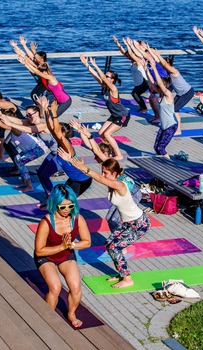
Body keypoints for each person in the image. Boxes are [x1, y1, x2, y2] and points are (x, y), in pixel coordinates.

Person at [58, 151, 151, 289]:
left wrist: (81, 166)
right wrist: (72, 160)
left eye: (106, 173)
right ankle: (121, 273)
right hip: (128, 223)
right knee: (109, 244)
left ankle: (127, 279)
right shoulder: (112, 181)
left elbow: (98, 178)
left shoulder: (119, 185)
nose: (103, 175)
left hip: (139, 224)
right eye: (102, 171)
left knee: (115, 248)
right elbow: (100, 160)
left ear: (114, 174)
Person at [34, 184, 91, 327]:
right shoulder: (46, 222)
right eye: (62, 207)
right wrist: (61, 246)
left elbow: (87, 242)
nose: (67, 210)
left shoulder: (77, 218)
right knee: (55, 287)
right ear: (55, 204)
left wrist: (71, 245)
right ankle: (48, 318)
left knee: (76, 287)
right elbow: (39, 251)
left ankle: (71, 314)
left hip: (65, 255)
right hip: (46, 256)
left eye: (70, 206)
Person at [0, 106, 48, 191]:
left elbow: (0, 124)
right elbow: (3, 121)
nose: (3, 121)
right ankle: (24, 181)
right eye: (27, 115)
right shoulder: (17, 126)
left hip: (39, 148)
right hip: (32, 148)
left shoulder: (15, 129)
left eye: (29, 115)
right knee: (17, 160)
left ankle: (29, 186)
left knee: (19, 161)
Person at [40, 97, 93, 197]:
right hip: (73, 179)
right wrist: (45, 109)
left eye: (58, 129)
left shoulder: (66, 145)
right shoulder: (61, 142)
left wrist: (55, 114)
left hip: (82, 180)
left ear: (63, 133)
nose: (55, 130)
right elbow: (51, 128)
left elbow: (56, 130)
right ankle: (49, 203)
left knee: (66, 202)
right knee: (60, 199)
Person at [81, 55, 130, 160]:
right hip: (114, 115)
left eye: (108, 76)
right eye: (106, 76)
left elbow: (102, 77)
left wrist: (95, 65)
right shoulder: (105, 87)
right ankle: (110, 151)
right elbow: (96, 76)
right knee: (100, 133)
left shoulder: (113, 89)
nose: (105, 77)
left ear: (112, 80)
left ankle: (119, 155)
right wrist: (87, 64)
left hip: (122, 115)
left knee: (107, 134)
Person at [148, 47, 194, 135]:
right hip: (181, 93)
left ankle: (178, 129)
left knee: (175, 109)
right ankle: (171, 126)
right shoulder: (167, 75)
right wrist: (150, 52)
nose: (162, 67)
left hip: (187, 92)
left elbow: (164, 64)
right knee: (172, 108)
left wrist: (157, 53)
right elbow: (160, 63)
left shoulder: (174, 71)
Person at [18, 54, 72, 119]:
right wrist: (25, 64)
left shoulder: (51, 77)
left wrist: (26, 62)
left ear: (45, 72)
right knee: (48, 114)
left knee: (52, 116)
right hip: (58, 100)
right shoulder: (46, 76)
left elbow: (37, 72)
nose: (41, 75)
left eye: (42, 73)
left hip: (65, 101)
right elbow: (35, 71)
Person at [146, 57, 178, 157]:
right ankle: (162, 163)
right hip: (163, 126)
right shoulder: (160, 94)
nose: (156, 86)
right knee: (156, 147)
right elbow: (151, 82)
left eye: (158, 85)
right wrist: (146, 69)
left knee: (161, 148)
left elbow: (159, 83)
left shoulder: (168, 94)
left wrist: (155, 68)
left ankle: (169, 166)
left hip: (171, 126)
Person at [113, 36, 149, 113]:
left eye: (129, 55)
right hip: (138, 83)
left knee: (135, 94)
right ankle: (143, 107)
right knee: (135, 94)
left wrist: (128, 45)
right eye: (127, 56)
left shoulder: (138, 61)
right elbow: (124, 52)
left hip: (144, 82)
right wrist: (118, 43)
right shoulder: (132, 62)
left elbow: (131, 55)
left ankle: (144, 108)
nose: (128, 57)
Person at [11, 36, 49, 102]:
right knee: (37, 96)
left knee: (34, 95)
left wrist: (22, 47)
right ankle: (41, 106)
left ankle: (40, 107)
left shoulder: (42, 66)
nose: (33, 58)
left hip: (45, 84)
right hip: (41, 83)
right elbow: (27, 56)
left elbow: (27, 57)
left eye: (36, 58)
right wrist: (21, 45)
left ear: (41, 59)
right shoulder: (36, 63)